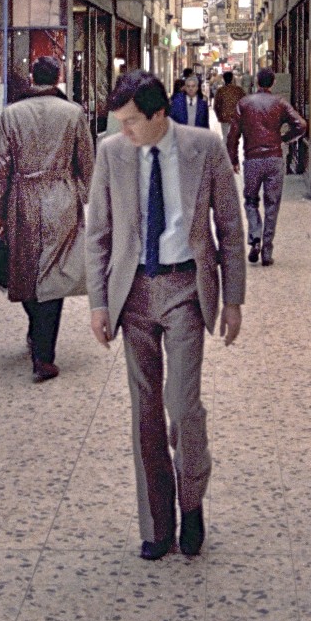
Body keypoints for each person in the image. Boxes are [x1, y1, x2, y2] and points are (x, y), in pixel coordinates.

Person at [86, 70, 245, 561]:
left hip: (184, 288)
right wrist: (97, 302)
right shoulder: (112, 153)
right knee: (145, 411)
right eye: (119, 123)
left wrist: (234, 299)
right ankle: (156, 523)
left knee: (182, 405)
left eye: (133, 122)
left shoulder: (204, 148)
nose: (124, 132)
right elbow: (98, 234)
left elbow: (230, 227)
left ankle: (192, 502)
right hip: (131, 292)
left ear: (160, 115)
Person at [0, 56, 95, 382]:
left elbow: (2, 166)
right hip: (61, 198)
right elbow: (87, 162)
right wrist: (78, 193)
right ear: (59, 77)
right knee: (54, 272)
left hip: (23, 200)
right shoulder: (73, 113)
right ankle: (43, 351)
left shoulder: (11, 114)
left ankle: (39, 338)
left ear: (32, 77)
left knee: (26, 269)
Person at [227, 67, 307, 266]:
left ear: (256, 81)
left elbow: (233, 134)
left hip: (252, 159)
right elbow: (301, 124)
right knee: (272, 205)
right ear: (272, 83)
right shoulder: (279, 102)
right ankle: (267, 251)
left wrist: (233, 159)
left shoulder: (244, 103)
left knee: (251, 201)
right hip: (274, 159)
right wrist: (284, 139)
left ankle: (255, 236)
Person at [212, 70, 245, 145]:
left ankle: (226, 153)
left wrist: (219, 116)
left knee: (225, 136)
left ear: (223, 79)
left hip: (224, 117)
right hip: (236, 117)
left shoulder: (220, 91)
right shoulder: (239, 90)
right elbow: (244, 103)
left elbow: (216, 105)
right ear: (232, 78)